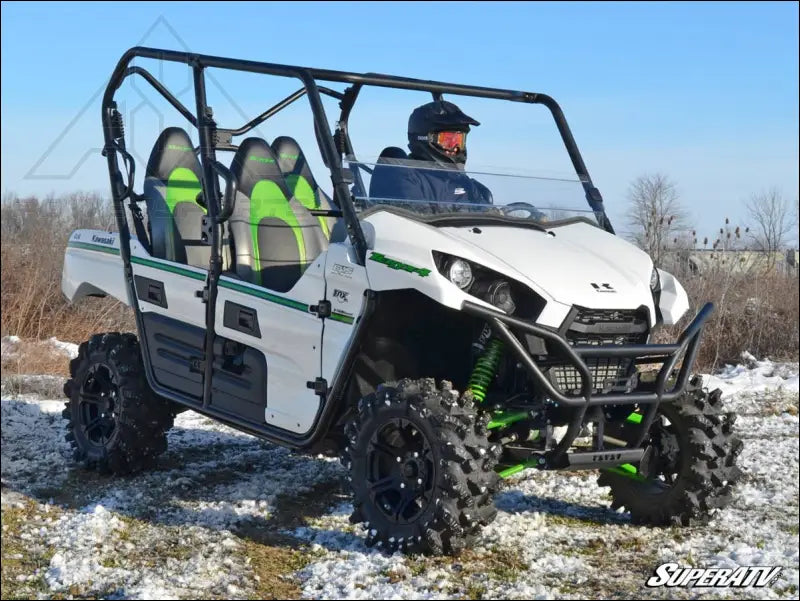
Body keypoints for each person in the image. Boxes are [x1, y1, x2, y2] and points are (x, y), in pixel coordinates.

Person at [368, 100, 492, 210]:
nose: (455, 148)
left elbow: (487, 216)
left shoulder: (463, 182)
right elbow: (416, 219)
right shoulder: (403, 175)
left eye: (459, 140)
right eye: (447, 140)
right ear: (424, 139)